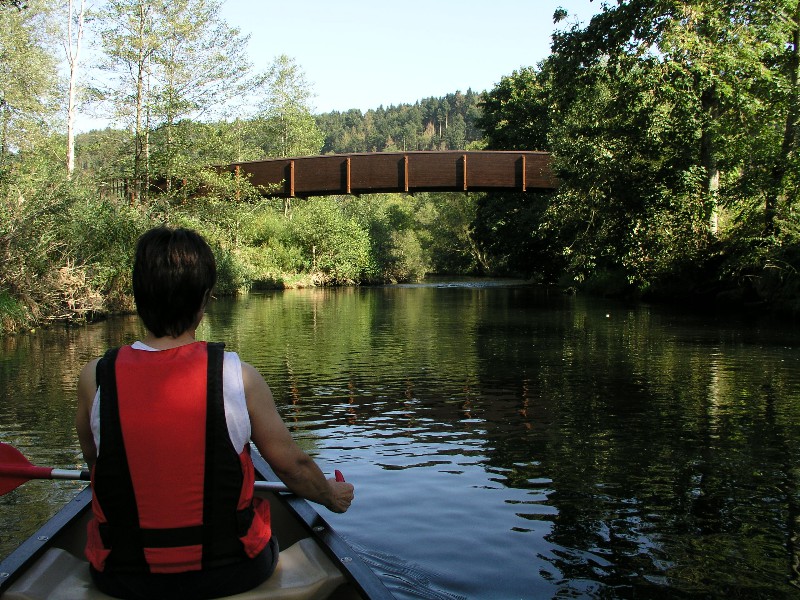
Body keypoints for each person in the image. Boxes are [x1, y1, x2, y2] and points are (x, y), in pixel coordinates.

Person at [75, 225, 354, 600]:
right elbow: (293, 467)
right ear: (204, 300)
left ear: (138, 297)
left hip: (123, 575)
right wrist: (330, 496)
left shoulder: (95, 377)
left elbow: (97, 464)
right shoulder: (238, 375)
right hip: (232, 571)